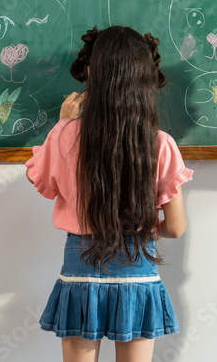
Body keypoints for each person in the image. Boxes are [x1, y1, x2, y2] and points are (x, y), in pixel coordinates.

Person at [26, 25, 193, 362]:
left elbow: (38, 178)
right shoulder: (161, 143)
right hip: (136, 268)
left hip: (80, 267)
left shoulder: (65, 136)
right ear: (146, 79)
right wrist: (143, 225)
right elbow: (175, 228)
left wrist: (62, 123)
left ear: (91, 73)